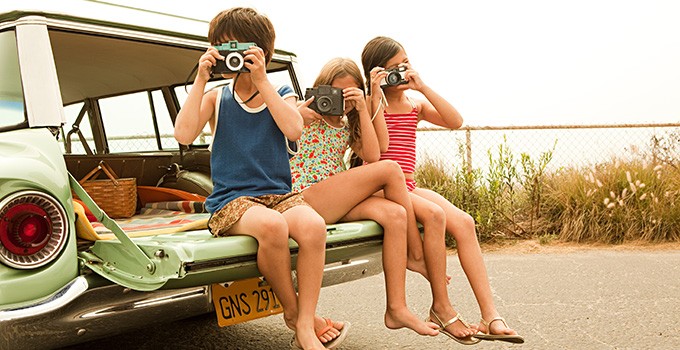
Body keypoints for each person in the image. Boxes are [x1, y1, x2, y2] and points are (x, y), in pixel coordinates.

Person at [173, 8, 349, 350]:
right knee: (272, 227)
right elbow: (183, 133)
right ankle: (298, 317)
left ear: (262, 51)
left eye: (240, 47)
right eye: (225, 48)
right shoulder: (216, 97)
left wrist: (263, 79)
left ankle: (305, 318)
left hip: (278, 195)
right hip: (231, 201)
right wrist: (200, 78)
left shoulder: (279, 91)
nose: (234, 56)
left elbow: (294, 127)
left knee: (313, 226)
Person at [361, 36, 524, 344]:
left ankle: (490, 315)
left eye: (404, 65)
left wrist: (422, 86)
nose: (401, 73)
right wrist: (374, 93)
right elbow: (375, 151)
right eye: (392, 69)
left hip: (409, 183)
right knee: (434, 214)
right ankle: (441, 306)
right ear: (377, 71)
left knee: (464, 222)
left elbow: (455, 121)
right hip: (384, 188)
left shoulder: (414, 105)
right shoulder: (373, 104)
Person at [290, 57, 465, 339]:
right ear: (321, 89)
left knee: (394, 215)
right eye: (336, 93)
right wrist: (299, 112)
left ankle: (396, 308)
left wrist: (362, 106)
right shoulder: (306, 111)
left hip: (336, 195)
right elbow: (284, 127)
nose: (341, 101)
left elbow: (372, 155)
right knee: (391, 169)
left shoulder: (347, 122)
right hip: (307, 197)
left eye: (349, 94)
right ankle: (416, 253)